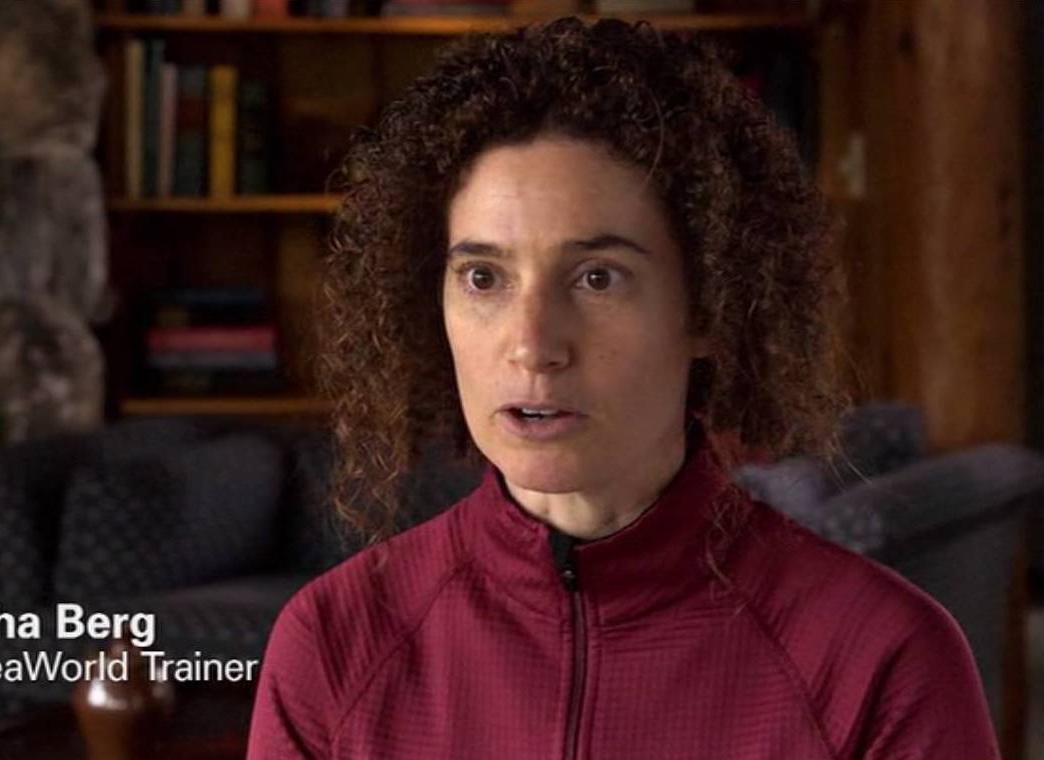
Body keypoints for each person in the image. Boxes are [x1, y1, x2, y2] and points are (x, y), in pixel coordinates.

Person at [245, 17, 999, 760]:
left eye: (597, 278)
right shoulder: (333, 645)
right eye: (482, 277)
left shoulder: (880, 659)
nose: (533, 344)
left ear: (708, 307)